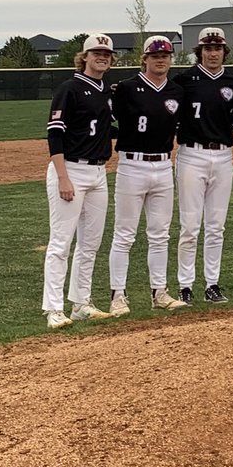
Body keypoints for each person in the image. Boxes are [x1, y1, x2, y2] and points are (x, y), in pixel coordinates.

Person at [42, 33, 116, 329]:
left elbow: (102, 129)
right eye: (96, 53)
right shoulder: (69, 88)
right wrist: (63, 177)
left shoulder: (105, 90)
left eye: (106, 54)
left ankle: (81, 304)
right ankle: (53, 309)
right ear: (84, 57)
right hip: (70, 169)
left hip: (98, 172)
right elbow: (54, 133)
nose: (102, 57)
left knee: (90, 244)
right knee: (61, 243)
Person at [108, 36, 185, 315]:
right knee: (124, 234)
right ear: (145, 59)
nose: (160, 60)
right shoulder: (126, 87)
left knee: (160, 235)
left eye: (165, 55)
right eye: (155, 56)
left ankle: (159, 292)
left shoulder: (176, 91)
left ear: (170, 59)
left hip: (164, 165)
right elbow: (106, 119)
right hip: (132, 165)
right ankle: (118, 295)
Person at [173, 27, 233, 304]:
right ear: (200, 51)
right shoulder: (184, 80)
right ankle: (185, 285)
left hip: (223, 156)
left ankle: (212, 284)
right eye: (208, 48)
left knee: (216, 226)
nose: (213, 53)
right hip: (192, 155)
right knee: (190, 225)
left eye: (217, 48)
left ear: (224, 52)